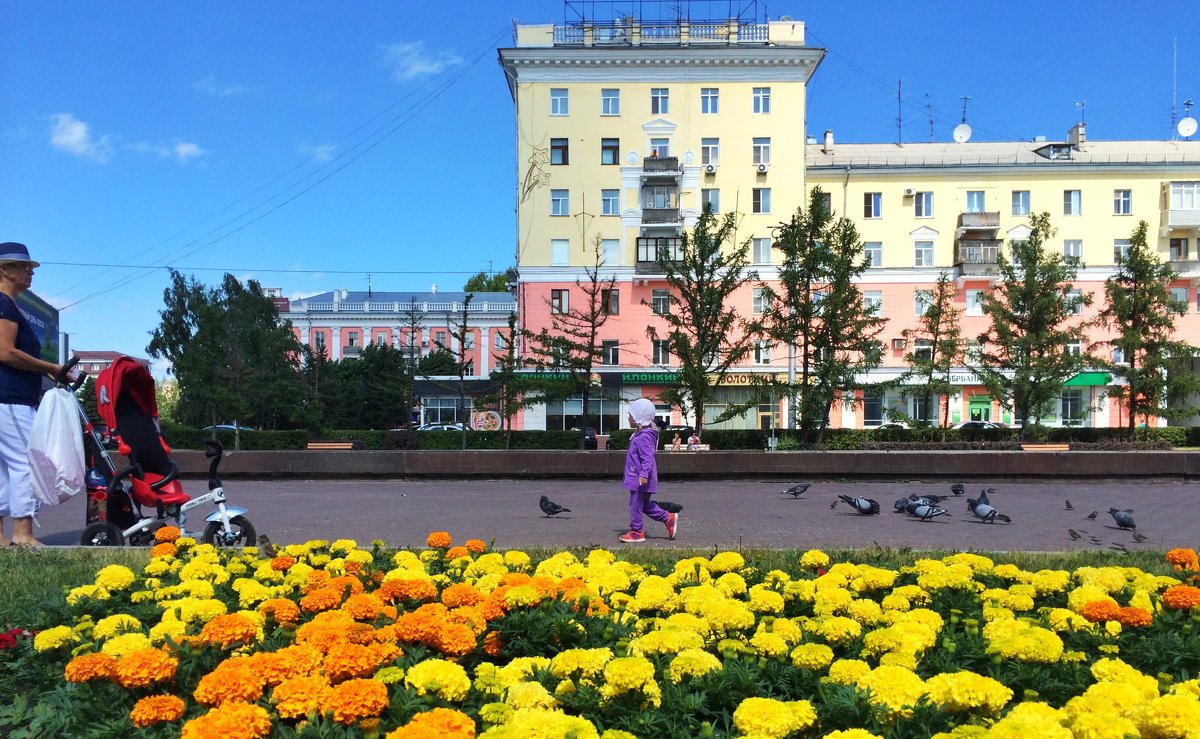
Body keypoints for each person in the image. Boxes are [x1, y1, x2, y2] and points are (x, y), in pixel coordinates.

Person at [0, 242, 70, 547]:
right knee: (27, 463)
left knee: (4, 468)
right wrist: (50, 368)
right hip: (10, 398)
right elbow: (5, 351)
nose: (30, 272)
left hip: (6, 398)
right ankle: (23, 534)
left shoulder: (7, 304)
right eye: (23, 266)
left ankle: (3, 538)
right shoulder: (3, 304)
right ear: (3, 269)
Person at [619, 398, 677, 543]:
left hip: (640, 478)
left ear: (639, 418)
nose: (628, 417)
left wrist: (643, 474)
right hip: (639, 476)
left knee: (635, 505)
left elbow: (648, 457)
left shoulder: (644, 436)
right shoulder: (641, 434)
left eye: (631, 415)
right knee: (643, 505)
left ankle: (637, 532)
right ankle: (668, 518)